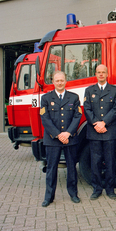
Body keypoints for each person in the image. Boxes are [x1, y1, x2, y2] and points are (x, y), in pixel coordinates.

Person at [40, 71, 82, 207]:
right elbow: (44, 118)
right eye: (57, 80)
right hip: (52, 139)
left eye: (62, 80)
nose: (59, 83)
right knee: (51, 169)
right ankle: (49, 197)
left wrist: (68, 133)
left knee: (71, 167)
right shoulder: (46, 98)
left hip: (70, 138)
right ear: (53, 82)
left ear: (65, 81)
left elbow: (77, 117)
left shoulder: (74, 97)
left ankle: (73, 194)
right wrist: (58, 135)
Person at [84, 64, 116, 200]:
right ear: (95, 74)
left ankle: (110, 189)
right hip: (94, 131)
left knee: (110, 161)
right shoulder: (89, 90)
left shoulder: (115, 90)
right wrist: (97, 124)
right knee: (95, 162)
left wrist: (104, 122)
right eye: (98, 72)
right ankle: (97, 188)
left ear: (107, 74)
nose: (101, 74)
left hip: (109, 131)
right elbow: (87, 109)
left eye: (103, 72)